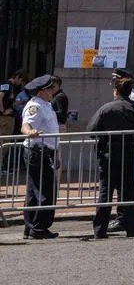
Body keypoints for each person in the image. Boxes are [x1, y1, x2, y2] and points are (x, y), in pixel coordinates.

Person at [87, 69, 134, 238]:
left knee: (105, 192)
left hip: (109, 155)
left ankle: (100, 230)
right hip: (131, 154)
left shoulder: (106, 108)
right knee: (128, 192)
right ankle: (131, 228)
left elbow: (92, 130)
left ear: (116, 91)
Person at [20, 74, 60, 239]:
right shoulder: (34, 106)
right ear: (43, 90)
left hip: (46, 151)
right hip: (37, 151)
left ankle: (31, 228)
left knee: (34, 191)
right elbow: (25, 125)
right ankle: (39, 228)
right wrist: (30, 132)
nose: (53, 90)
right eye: (51, 88)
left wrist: (56, 152)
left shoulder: (46, 105)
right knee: (45, 190)